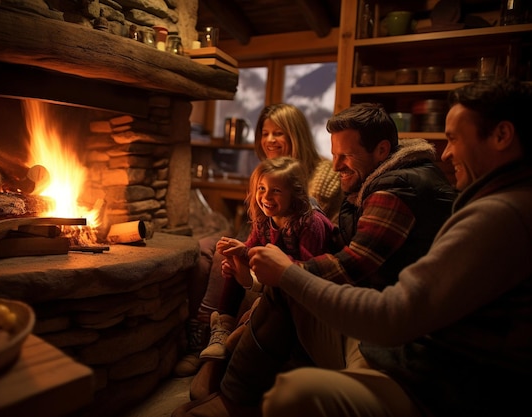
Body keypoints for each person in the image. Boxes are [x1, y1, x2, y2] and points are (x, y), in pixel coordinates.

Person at [181, 77, 532, 417]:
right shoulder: (479, 199)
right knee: (252, 269)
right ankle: (224, 378)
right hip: (413, 352)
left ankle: (230, 394)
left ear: (502, 135)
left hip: (426, 372)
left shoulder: (477, 208)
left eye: (454, 138)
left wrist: (284, 273)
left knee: (290, 343)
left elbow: (365, 283)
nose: (447, 151)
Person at [175, 104, 344, 376]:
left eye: (279, 133)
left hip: (298, 250)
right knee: (205, 248)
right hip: (268, 236)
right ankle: (203, 333)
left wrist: (247, 254)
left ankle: (210, 348)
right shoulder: (266, 171)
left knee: (224, 255)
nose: (269, 140)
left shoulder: (321, 175)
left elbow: (302, 227)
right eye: (265, 133)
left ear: (296, 135)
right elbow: (262, 219)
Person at [200, 156, 337, 361]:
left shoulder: (310, 222)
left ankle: (243, 334)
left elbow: (307, 270)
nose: (266, 197)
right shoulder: (264, 220)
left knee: (244, 256)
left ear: (295, 194)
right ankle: (224, 325)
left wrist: (247, 256)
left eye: (276, 190)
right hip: (278, 275)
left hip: (309, 287)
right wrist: (239, 257)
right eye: (261, 188)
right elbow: (252, 249)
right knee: (233, 256)